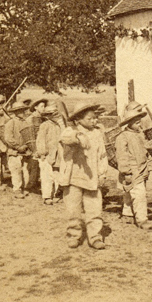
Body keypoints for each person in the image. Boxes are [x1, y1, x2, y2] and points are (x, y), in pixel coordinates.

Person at [58, 103, 108, 249]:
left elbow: (102, 155)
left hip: (92, 178)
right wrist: (79, 136)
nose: (94, 121)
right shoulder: (70, 131)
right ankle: (74, 235)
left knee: (94, 209)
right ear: (79, 119)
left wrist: (102, 173)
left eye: (95, 118)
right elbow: (65, 138)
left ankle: (95, 237)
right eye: (90, 119)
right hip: (73, 178)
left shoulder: (97, 133)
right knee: (73, 210)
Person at [114, 108, 152, 229]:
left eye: (139, 121)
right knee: (139, 194)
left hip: (142, 167)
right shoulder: (123, 137)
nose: (139, 124)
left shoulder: (140, 135)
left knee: (131, 191)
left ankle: (128, 213)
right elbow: (121, 156)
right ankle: (142, 219)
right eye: (136, 122)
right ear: (129, 123)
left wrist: (149, 163)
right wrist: (126, 171)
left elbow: (146, 150)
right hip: (132, 169)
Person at [4, 102, 33, 198]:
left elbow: (29, 135)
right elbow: (8, 138)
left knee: (25, 171)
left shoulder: (26, 122)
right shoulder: (10, 123)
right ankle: (17, 189)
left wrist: (27, 146)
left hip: (25, 151)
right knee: (16, 170)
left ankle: (24, 187)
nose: (22, 112)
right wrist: (17, 147)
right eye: (19, 111)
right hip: (14, 151)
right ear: (15, 112)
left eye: (23, 110)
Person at [35, 104, 63, 205]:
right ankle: (47, 196)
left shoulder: (58, 125)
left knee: (56, 175)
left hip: (57, 154)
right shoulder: (45, 125)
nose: (56, 116)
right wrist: (42, 153)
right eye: (53, 114)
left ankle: (56, 194)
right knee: (46, 176)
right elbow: (40, 140)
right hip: (47, 155)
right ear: (48, 116)